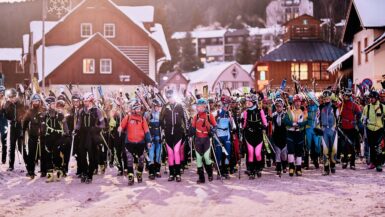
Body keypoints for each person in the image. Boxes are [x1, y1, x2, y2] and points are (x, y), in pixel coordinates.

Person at [119, 100, 151, 186]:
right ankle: (131, 176)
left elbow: (147, 131)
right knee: (129, 160)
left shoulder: (142, 118)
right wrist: (120, 128)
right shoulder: (128, 117)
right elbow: (122, 126)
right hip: (129, 142)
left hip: (141, 142)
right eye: (137, 108)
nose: (139, 110)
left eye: (139, 108)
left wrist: (148, 141)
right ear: (133, 109)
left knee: (141, 160)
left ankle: (139, 173)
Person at [75, 92, 105, 183]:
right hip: (83, 135)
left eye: (87, 101)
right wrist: (76, 129)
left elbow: (103, 124)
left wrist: (96, 128)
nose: (85, 103)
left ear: (91, 101)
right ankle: (84, 172)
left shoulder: (97, 111)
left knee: (92, 156)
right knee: (82, 156)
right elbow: (79, 123)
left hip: (92, 136)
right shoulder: (81, 111)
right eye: (84, 101)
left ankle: (90, 175)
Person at [160, 90, 188, 182]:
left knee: (176, 151)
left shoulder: (179, 106)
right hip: (168, 133)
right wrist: (163, 129)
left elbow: (184, 118)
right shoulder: (165, 107)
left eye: (171, 97)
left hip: (178, 132)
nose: (170, 99)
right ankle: (172, 173)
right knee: (170, 153)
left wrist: (186, 130)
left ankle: (178, 174)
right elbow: (161, 120)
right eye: (168, 98)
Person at [190, 98, 216, 184]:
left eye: (202, 106)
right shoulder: (195, 116)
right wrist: (190, 131)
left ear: (205, 106)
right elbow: (193, 127)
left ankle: (210, 174)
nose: (200, 108)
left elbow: (215, 125)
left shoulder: (209, 115)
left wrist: (212, 131)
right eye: (199, 106)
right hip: (197, 139)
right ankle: (201, 178)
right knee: (198, 159)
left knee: (206, 158)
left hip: (206, 139)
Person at [43, 96, 69, 182]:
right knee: (48, 154)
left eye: (54, 103)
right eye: (52, 104)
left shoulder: (59, 114)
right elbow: (42, 126)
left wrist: (66, 132)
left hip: (58, 137)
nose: (54, 105)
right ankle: (49, 172)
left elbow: (64, 123)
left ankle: (58, 170)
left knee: (57, 153)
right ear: (48, 105)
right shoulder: (45, 115)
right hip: (48, 137)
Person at [242, 94, 268, 179]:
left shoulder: (260, 111)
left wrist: (264, 126)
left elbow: (265, 123)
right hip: (249, 135)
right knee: (250, 153)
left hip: (258, 135)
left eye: (249, 102)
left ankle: (258, 168)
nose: (247, 103)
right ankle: (251, 171)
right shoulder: (246, 112)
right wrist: (241, 124)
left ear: (254, 102)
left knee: (257, 154)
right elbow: (244, 124)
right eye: (247, 102)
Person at [283, 94, 307, 177]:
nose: (297, 103)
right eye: (296, 101)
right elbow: (285, 121)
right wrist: (293, 124)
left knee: (299, 152)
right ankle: (291, 167)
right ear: (293, 102)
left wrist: (299, 125)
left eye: (299, 101)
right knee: (290, 151)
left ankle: (299, 169)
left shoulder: (303, 111)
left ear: (301, 102)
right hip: (290, 133)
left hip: (299, 134)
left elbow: (306, 122)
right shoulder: (289, 111)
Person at [361, 91, 385, 172]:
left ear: (377, 98)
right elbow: (362, 118)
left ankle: (379, 164)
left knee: (378, 146)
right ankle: (372, 162)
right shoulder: (367, 107)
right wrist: (364, 120)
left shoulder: (382, 107)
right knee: (371, 146)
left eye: (373, 98)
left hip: (379, 129)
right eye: (370, 98)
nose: (371, 99)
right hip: (369, 129)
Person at [22, 94, 44, 179]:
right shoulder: (29, 112)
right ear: (32, 102)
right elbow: (25, 123)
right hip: (32, 136)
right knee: (31, 154)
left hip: (42, 137)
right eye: (34, 101)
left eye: (37, 101)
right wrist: (22, 132)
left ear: (39, 102)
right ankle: (31, 171)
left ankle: (43, 171)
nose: (36, 102)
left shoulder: (43, 111)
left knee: (42, 154)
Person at [339, 88, 361, 170]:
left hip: (352, 128)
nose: (345, 97)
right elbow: (338, 114)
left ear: (350, 96)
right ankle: (344, 161)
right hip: (343, 128)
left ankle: (352, 163)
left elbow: (359, 114)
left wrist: (356, 121)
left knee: (352, 146)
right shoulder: (341, 105)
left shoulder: (354, 105)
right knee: (344, 146)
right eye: (344, 95)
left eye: (347, 96)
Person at [214, 96, 235, 179]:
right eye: (226, 104)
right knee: (219, 154)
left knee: (227, 153)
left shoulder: (229, 113)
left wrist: (232, 121)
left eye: (228, 105)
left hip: (227, 135)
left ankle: (226, 170)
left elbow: (233, 126)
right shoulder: (218, 112)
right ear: (222, 104)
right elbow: (213, 123)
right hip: (218, 135)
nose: (227, 106)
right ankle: (219, 171)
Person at [4, 88, 25, 171]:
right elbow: (6, 115)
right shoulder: (8, 104)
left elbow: (24, 113)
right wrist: (5, 109)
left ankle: (26, 164)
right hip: (12, 127)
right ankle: (11, 165)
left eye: (13, 97)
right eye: (10, 97)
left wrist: (21, 117)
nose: (12, 99)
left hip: (19, 126)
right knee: (12, 146)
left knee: (21, 147)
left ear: (16, 96)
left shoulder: (20, 103)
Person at [319, 90, 339, 175]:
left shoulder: (334, 107)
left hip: (333, 130)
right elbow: (318, 118)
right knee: (325, 150)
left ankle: (333, 165)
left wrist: (336, 127)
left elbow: (338, 118)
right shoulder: (320, 107)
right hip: (324, 130)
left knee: (334, 149)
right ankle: (326, 168)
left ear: (330, 98)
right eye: (325, 98)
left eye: (328, 97)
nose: (326, 99)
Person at [145, 99, 163, 180]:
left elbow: (163, 125)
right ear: (153, 106)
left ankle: (158, 170)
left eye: (159, 107)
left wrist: (163, 136)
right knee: (151, 154)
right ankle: (151, 172)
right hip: (151, 137)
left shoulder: (161, 114)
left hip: (158, 136)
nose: (158, 108)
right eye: (157, 106)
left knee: (159, 154)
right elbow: (145, 125)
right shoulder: (147, 113)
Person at [272, 98, 288, 176]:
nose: (278, 108)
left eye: (280, 106)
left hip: (284, 136)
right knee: (277, 153)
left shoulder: (286, 115)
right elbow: (271, 126)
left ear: (283, 106)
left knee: (284, 154)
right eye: (277, 106)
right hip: (276, 136)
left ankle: (284, 166)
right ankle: (278, 169)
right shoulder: (273, 115)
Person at [0, 86, 8, 164]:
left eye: (2, 92)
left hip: (4, 121)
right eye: (0, 92)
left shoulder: (6, 100)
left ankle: (4, 158)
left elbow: (9, 111)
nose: (1, 93)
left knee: (4, 140)